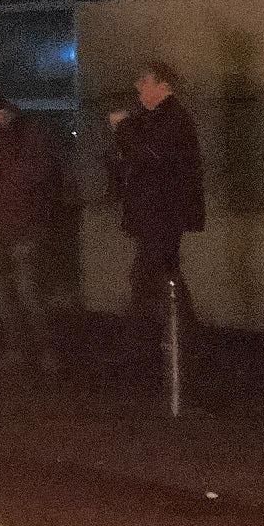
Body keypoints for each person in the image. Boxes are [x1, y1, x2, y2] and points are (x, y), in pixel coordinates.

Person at [105, 61, 206, 376]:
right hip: (156, 212)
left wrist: (123, 128)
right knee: (162, 275)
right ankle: (179, 343)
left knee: (148, 276)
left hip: (163, 213)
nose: (139, 89)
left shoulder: (173, 119)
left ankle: (152, 347)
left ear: (164, 86)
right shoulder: (156, 118)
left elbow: (150, 156)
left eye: (145, 83)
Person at [0, 86, 64, 375]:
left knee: (28, 291)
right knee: (4, 292)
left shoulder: (26, 132)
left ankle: (46, 351)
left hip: (24, 226)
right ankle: (17, 348)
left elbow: (41, 171)